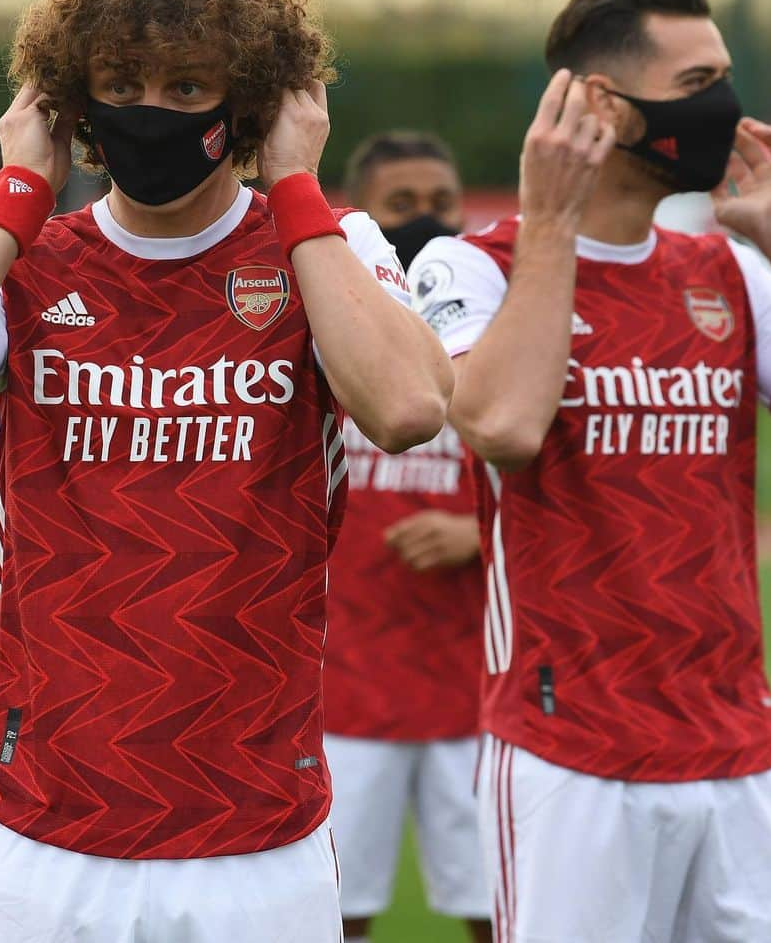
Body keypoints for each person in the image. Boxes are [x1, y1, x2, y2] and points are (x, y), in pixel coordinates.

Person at [0, 0, 453, 943]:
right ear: (71, 102)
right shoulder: (30, 258)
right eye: (120, 81)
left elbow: (407, 406)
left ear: (247, 103)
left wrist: (298, 189)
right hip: (50, 824)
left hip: (257, 828)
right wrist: (17, 195)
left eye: (187, 83)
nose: (151, 111)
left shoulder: (321, 247)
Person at [409, 0, 771, 942]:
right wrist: (551, 222)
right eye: (699, 78)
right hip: (569, 749)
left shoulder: (732, 272)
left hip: (739, 749)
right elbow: (499, 425)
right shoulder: (468, 266)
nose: (724, 106)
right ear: (603, 107)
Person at [324, 131, 490, 943]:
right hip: (342, 694)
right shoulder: (329, 330)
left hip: (478, 694)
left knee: (501, 909)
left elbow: (567, 493)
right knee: (335, 914)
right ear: (366, 221)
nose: (427, 220)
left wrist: (478, 532)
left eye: (442, 205)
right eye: (402, 208)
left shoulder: (494, 329)